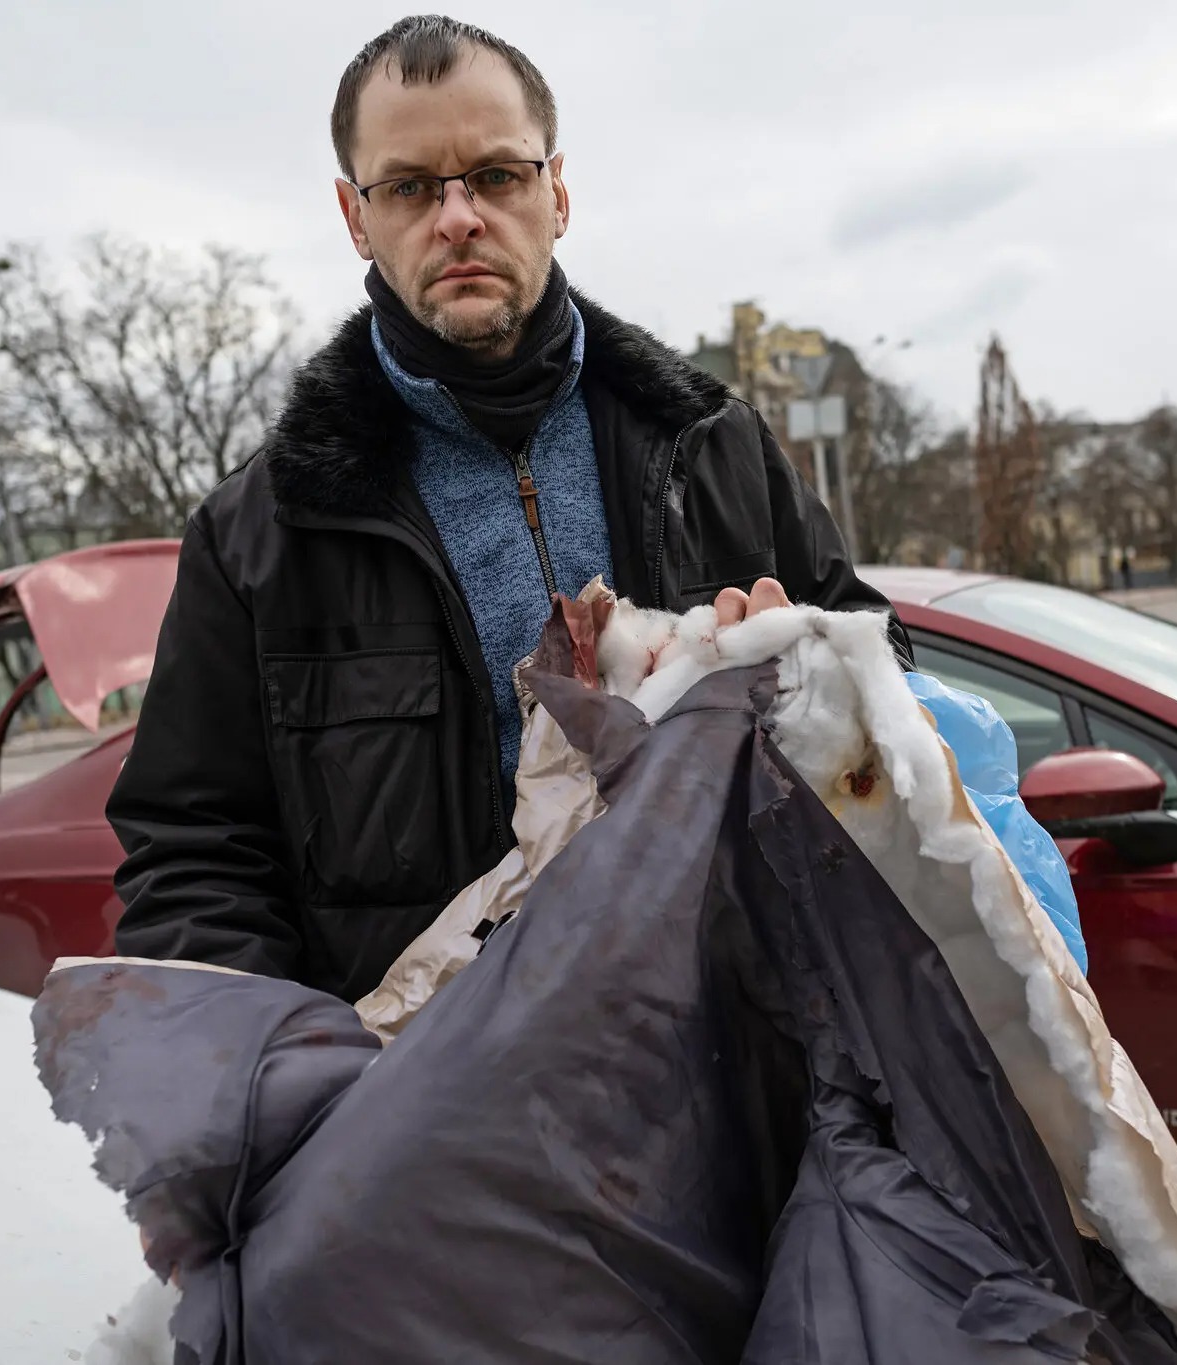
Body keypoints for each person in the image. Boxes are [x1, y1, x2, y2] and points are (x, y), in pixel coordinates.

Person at [108, 15, 908, 1000]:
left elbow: (888, 684)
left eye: (495, 176)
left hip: (741, 1053)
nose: (457, 219)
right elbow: (193, 849)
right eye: (408, 187)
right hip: (432, 1100)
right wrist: (293, 1083)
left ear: (555, 192)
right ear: (355, 217)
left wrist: (808, 686)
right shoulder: (263, 531)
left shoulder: (708, 447)